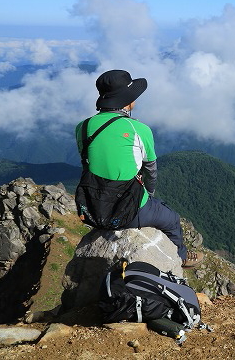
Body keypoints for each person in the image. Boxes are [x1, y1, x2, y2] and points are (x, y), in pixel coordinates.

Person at [75, 69, 203, 268]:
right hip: (128, 209)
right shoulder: (138, 129)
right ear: (127, 101)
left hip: (92, 207)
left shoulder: (82, 127)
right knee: (171, 219)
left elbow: (90, 164)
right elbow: (150, 170)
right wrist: (148, 195)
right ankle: (182, 257)